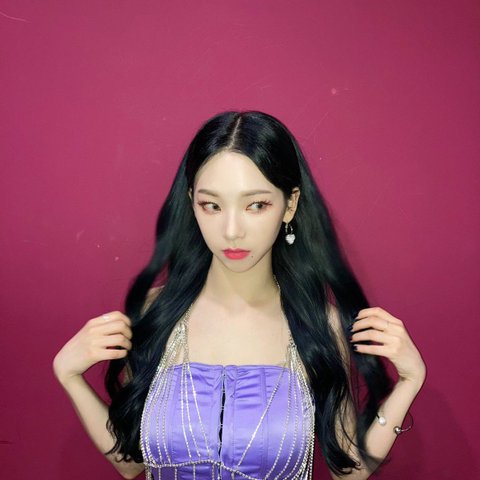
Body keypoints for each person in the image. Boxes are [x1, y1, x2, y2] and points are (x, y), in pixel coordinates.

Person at [53, 110, 426, 480]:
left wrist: (409, 381)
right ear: (192, 203)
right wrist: (69, 375)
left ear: (290, 205)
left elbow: (350, 471)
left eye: (256, 205)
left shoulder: (318, 325)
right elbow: (130, 461)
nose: (232, 230)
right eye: (212, 205)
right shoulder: (156, 312)